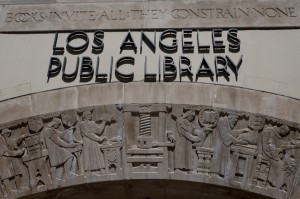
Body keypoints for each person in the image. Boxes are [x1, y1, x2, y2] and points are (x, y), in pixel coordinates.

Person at [211, 114, 249, 179]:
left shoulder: (227, 123)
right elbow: (226, 135)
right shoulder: (222, 121)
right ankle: (214, 173)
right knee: (218, 157)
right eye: (234, 122)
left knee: (224, 159)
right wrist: (238, 141)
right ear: (231, 118)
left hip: (224, 145)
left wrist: (242, 131)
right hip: (219, 145)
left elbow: (230, 132)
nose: (234, 124)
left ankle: (221, 174)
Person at [174, 110, 209, 174]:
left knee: (189, 155)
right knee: (180, 154)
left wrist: (203, 131)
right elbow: (183, 132)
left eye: (193, 117)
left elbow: (194, 131)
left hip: (188, 142)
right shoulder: (180, 119)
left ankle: (189, 169)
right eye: (191, 116)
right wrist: (194, 139)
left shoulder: (190, 123)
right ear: (188, 114)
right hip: (181, 141)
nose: (192, 117)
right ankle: (178, 169)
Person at [80, 111, 111, 175]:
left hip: (94, 141)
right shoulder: (82, 124)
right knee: (88, 156)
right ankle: (88, 171)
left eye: (90, 115)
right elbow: (88, 134)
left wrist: (104, 122)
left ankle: (101, 169)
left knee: (97, 154)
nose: (90, 116)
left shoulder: (92, 123)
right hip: (87, 141)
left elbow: (99, 131)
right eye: (88, 115)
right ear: (84, 116)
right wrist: (99, 139)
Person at [0, 129, 25, 195]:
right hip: (3, 161)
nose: (8, 135)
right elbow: (5, 152)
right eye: (7, 134)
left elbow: (13, 142)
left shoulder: (5, 139)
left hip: (9, 160)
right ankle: (9, 191)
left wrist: (21, 138)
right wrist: (17, 153)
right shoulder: (0, 140)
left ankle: (19, 188)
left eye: (9, 134)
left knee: (17, 171)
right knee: (6, 176)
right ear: (4, 134)